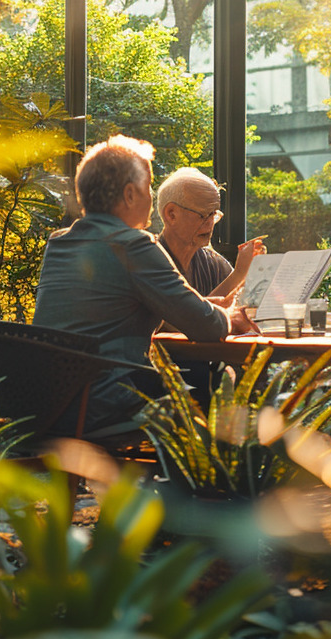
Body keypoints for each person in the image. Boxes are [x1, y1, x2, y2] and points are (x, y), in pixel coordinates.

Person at [33, 134, 254, 434]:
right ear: (129, 195)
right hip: (110, 404)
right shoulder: (133, 245)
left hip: (50, 405)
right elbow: (209, 328)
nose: (152, 199)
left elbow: (110, 310)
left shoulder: (59, 244)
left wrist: (209, 306)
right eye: (149, 188)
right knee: (218, 391)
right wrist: (227, 316)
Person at [154, 167, 264, 299]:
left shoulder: (213, 264)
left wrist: (250, 274)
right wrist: (238, 274)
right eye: (203, 215)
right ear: (171, 214)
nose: (210, 223)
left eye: (213, 214)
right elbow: (187, 317)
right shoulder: (148, 262)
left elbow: (237, 307)